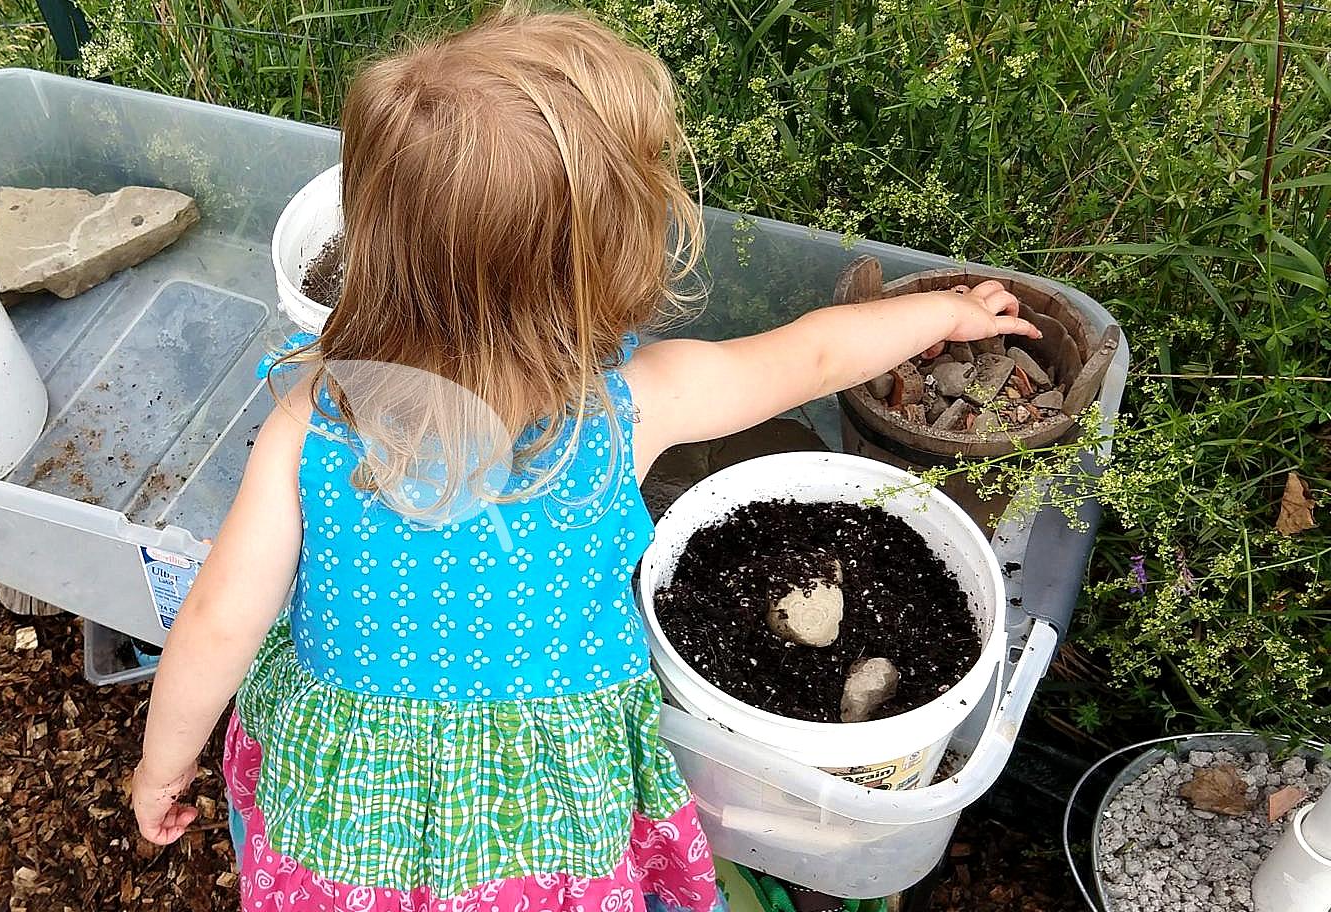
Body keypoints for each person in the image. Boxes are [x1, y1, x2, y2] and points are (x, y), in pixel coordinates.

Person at [130, 7, 1037, 911]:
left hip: (351, 812)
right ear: (600, 271)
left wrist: (162, 766)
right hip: (547, 813)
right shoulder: (631, 408)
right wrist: (943, 315)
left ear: (368, 238)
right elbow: (811, 357)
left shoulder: (314, 422)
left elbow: (217, 622)